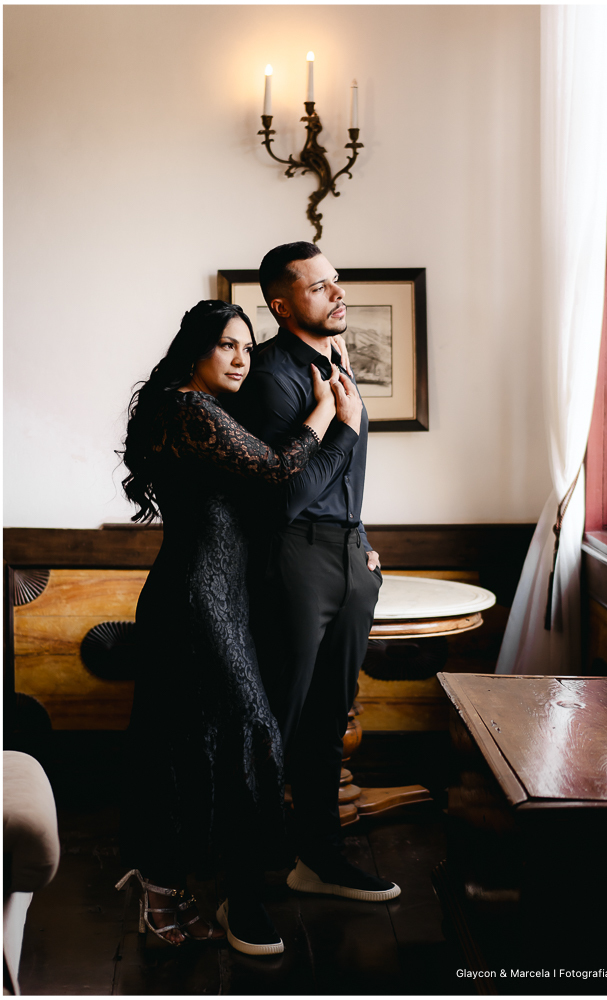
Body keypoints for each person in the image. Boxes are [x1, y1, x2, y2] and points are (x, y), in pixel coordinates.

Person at [115, 299, 362, 955]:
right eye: (227, 345)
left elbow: (266, 497)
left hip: (216, 594)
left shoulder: (203, 410)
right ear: (195, 349)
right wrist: (330, 417)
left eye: (248, 349)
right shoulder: (188, 409)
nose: (241, 359)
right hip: (196, 596)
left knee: (189, 742)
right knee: (248, 731)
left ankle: (168, 886)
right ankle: (190, 889)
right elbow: (277, 472)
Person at [229, 243, 401, 902]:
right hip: (293, 556)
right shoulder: (271, 377)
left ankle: (320, 861)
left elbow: (341, 481)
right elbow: (286, 497)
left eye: (337, 281)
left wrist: (360, 542)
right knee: (276, 721)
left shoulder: (336, 364)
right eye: (319, 286)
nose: (338, 293)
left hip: (346, 556)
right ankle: (245, 885)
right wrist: (344, 427)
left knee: (329, 719)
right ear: (281, 305)